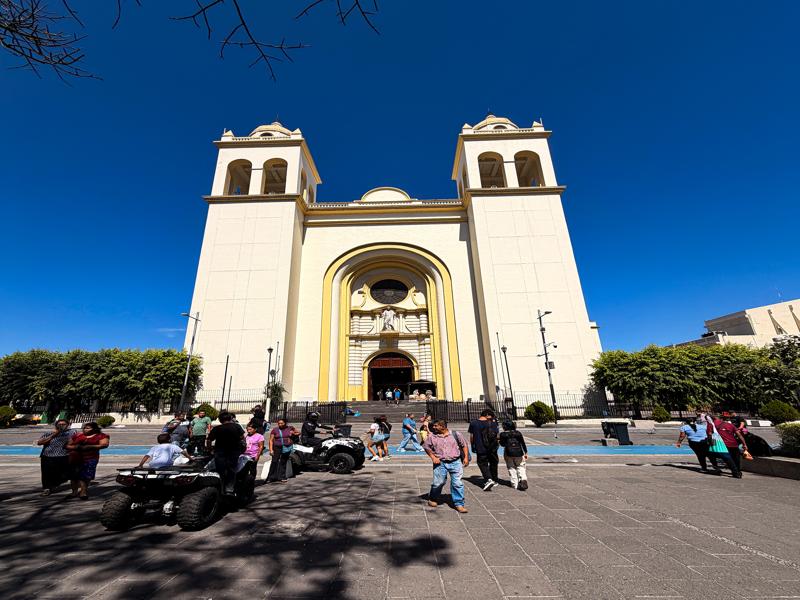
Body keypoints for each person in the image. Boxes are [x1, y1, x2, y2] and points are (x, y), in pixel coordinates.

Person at [423, 419, 469, 513]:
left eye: (436, 425)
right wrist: (433, 457)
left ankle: (459, 503)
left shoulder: (456, 434)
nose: (434, 427)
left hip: (455, 462)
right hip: (440, 463)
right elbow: (426, 447)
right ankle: (433, 498)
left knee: (457, 483)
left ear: (442, 426)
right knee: (438, 482)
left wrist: (466, 457)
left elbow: (464, 445)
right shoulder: (432, 436)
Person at [66, 422, 110, 500]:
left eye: (87, 428)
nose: (85, 429)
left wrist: (89, 447)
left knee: (85, 476)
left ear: (94, 429)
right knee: (73, 477)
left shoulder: (101, 436)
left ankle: (83, 492)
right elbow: (67, 445)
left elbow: (104, 445)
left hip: (90, 458)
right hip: (74, 458)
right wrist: (76, 447)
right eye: (84, 428)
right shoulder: (78, 435)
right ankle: (74, 492)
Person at [206, 411, 245, 494]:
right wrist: (243, 447)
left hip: (220, 452)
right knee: (232, 470)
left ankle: (220, 488)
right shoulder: (237, 426)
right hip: (233, 452)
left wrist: (210, 450)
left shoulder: (217, 428)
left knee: (220, 470)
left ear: (220, 420)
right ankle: (229, 489)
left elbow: (209, 440)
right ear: (230, 418)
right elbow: (242, 438)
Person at [37, 419, 75, 496]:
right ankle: (47, 488)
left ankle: (55, 483)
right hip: (47, 456)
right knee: (46, 474)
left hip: (63, 456)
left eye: (63, 424)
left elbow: (73, 442)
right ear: (56, 425)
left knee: (64, 474)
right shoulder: (49, 433)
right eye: (59, 424)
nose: (61, 426)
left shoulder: (71, 432)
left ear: (67, 425)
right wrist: (54, 435)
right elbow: (40, 442)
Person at [701, 412, 741, 478]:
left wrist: (712, 444)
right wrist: (744, 444)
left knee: (725, 458)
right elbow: (739, 434)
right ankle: (738, 471)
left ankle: (734, 472)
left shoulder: (711, 424)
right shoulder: (728, 424)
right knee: (736, 459)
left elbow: (710, 435)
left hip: (722, 445)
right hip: (734, 444)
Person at [468, 409, 500, 491]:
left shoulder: (473, 423)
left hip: (480, 447)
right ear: (487, 415)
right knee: (493, 463)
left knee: (482, 463)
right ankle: (494, 479)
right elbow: (497, 435)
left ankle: (488, 479)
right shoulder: (492, 423)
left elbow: (472, 436)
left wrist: (473, 446)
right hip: (492, 447)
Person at [499, 420, 528, 490]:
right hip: (519, 452)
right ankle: (523, 479)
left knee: (511, 467)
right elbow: (522, 443)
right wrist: (526, 452)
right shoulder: (518, 433)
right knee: (521, 466)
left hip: (508, 452)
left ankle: (515, 484)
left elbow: (502, 444)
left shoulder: (503, 434)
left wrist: (499, 441)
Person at [267, 418, 297, 482]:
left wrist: (293, 433)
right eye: (279, 423)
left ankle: (282, 476)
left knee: (283, 462)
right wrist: (271, 449)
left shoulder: (290, 428)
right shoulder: (275, 430)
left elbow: (298, 433)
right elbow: (271, 440)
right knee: (274, 461)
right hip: (277, 447)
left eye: (281, 423)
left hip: (286, 447)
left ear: (285, 423)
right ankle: (271, 477)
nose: (280, 424)